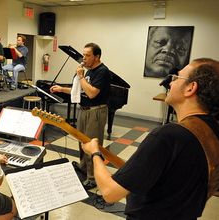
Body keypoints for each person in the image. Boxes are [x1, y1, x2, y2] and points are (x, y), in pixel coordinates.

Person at [82, 58, 219, 219]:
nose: (170, 83)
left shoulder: (168, 136)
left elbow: (110, 193)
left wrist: (95, 153)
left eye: (177, 77)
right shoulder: (213, 131)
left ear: (191, 88)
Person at [50, 43, 111, 190]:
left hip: (95, 111)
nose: (83, 58)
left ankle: (92, 177)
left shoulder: (102, 71)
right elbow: (81, 90)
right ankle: (84, 167)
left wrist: (81, 76)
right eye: (83, 55)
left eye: (87, 55)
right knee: (82, 142)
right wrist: (62, 89)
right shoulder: (89, 70)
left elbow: (91, 93)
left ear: (97, 57)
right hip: (84, 110)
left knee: (91, 144)